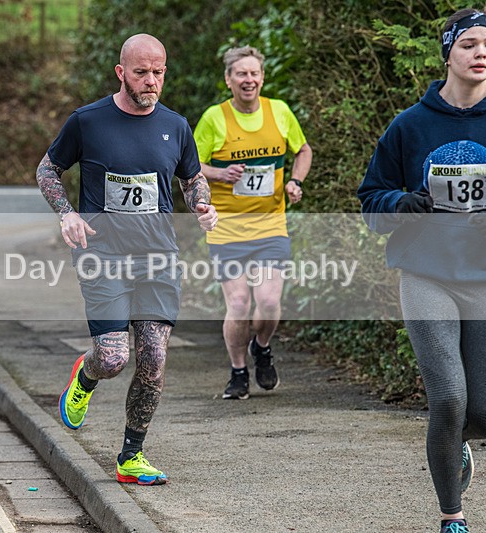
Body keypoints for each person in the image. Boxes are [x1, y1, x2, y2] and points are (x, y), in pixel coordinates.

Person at [357, 4, 486, 531]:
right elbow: (370, 199)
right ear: (447, 53)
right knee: (449, 398)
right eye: (470, 44)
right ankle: (452, 515)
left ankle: (459, 448)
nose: (481, 54)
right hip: (426, 275)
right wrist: (397, 205)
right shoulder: (410, 125)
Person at [36, 33, 217, 485]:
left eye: (158, 72)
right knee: (114, 358)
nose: (151, 81)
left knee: (153, 359)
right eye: (141, 72)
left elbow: (192, 178)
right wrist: (67, 214)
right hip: (103, 255)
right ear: (121, 72)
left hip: (158, 258)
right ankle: (86, 375)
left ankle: (130, 457)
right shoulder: (88, 121)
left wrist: (202, 203)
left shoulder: (175, 125)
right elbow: (47, 170)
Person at [193, 45, 312, 400]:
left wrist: (295, 182)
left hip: (270, 226)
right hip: (227, 229)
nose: (249, 79)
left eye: (254, 73)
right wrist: (219, 172)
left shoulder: (279, 112)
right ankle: (238, 371)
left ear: (262, 77)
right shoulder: (215, 118)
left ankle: (261, 346)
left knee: (270, 300)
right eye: (241, 74)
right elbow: (189, 165)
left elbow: (302, 150)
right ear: (229, 80)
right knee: (240, 303)